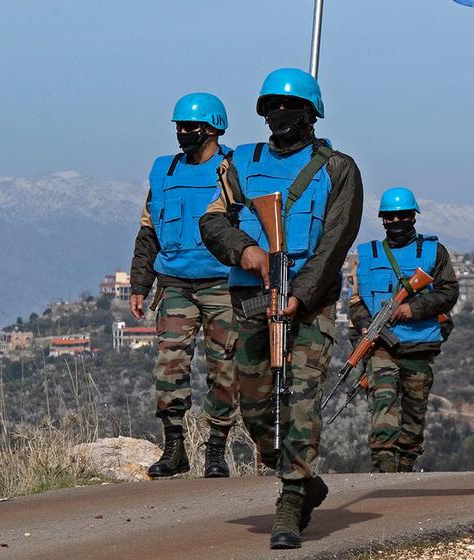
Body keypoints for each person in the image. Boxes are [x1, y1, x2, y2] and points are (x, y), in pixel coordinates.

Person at [198, 68, 363, 549]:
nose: (280, 115)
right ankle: (303, 478)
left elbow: (336, 239)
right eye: (271, 107)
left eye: (290, 108)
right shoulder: (240, 163)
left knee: (300, 403)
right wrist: (245, 250)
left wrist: (301, 292)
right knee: (255, 407)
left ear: (311, 114)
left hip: (309, 305)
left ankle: (291, 500)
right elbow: (213, 221)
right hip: (250, 298)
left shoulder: (338, 169)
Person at [129, 93, 240, 479]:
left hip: (223, 284)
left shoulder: (232, 168)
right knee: (170, 365)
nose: (182, 134)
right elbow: (148, 231)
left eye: (190, 127)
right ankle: (174, 446)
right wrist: (140, 283)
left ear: (212, 129)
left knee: (224, 368)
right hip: (175, 282)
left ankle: (216, 451)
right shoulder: (164, 172)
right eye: (179, 127)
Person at [346, 187, 460, 473]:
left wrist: (412, 309)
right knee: (382, 401)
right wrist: (363, 324)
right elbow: (356, 301)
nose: (397, 222)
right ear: (383, 220)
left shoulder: (434, 252)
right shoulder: (366, 255)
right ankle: (384, 463)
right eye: (391, 218)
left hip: (419, 344)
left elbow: (449, 293)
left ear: (413, 217)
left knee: (414, 408)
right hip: (380, 347)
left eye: (403, 217)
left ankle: (406, 464)